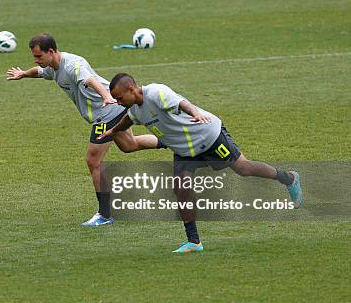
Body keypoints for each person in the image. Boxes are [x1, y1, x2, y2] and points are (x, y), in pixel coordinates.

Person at [98, 73, 303, 253]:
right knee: (181, 188)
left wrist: (196, 112)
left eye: (119, 97)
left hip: (209, 136)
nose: (118, 102)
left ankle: (289, 178)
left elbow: (181, 102)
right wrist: (113, 131)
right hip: (185, 151)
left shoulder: (156, 92)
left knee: (243, 168)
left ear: (132, 89)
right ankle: (193, 241)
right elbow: (129, 120)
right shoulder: (135, 109)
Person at [6, 33, 165, 226]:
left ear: (51, 51)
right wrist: (23, 74)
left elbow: (90, 80)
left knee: (93, 161)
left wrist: (105, 95)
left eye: (39, 56)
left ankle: (105, 214)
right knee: (129, 145)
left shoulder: (73, 65)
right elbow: (39, 73)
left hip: (106, 112)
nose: (36, 60)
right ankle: (169, 140)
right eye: (34, 57)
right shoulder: (51, 67)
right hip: (113, 109)